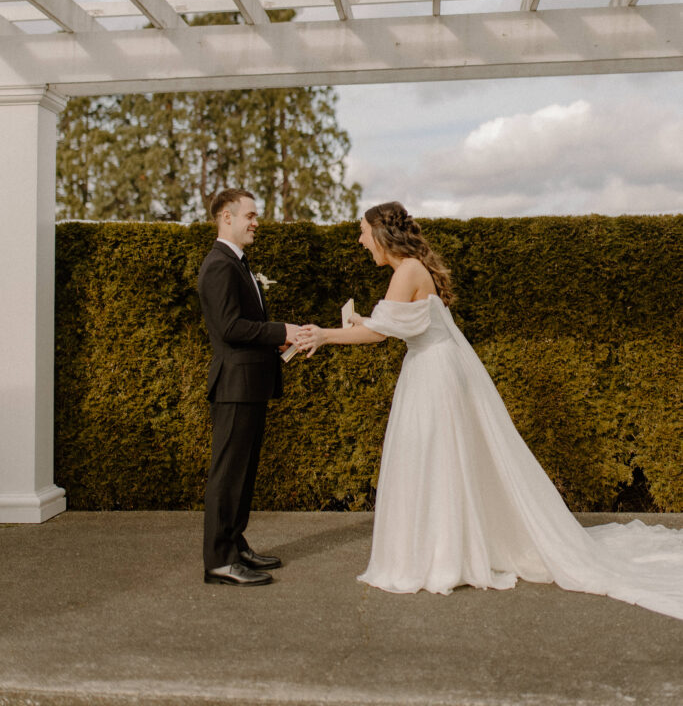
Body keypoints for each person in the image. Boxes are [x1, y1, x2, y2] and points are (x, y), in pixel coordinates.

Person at [297, 201, 683, 620]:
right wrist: (360, 323)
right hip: (431, 369)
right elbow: (397, 324)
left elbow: (379, 334)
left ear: (380, 233)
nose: (360, 240)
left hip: (433, 375)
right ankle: (447, 550)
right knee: (438, 457)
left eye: (362, 231)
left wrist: (324, 335)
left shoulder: (406, 270)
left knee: (434, 457)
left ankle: (443, 556)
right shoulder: (410, 270)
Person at [198, 187, 301, 587]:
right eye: (250, 216)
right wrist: (281, 330)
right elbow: (229, 327)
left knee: (242, 474)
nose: (257, 222)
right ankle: (219, 561)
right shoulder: (219, 265)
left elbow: (244, 325)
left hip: (249, 384)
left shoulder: (237, 263)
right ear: (226, 217)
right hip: (234, 386)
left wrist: (275, 341)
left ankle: (235, 545)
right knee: (227, 476)